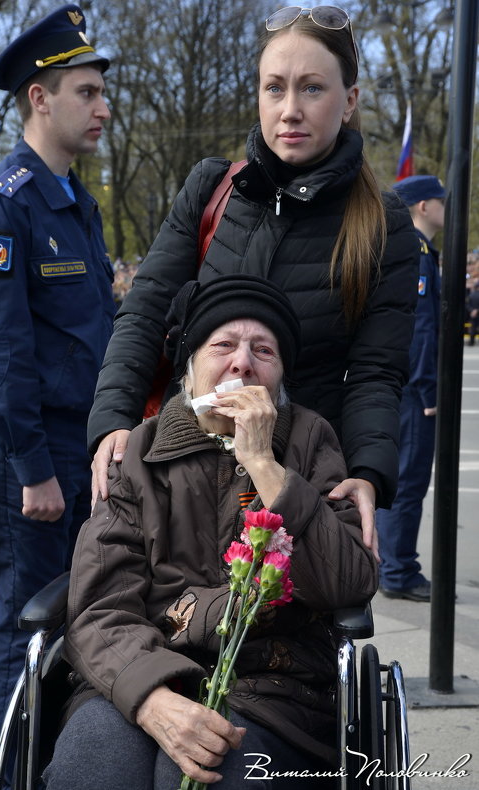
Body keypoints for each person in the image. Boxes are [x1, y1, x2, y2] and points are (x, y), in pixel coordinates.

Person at [88, 5, 419, 551]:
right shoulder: (211, 188)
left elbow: (376, 373)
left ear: (350, 100)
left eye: (312, 88)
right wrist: (112, 423)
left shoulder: (384, 224)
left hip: (296, 481)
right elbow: (143, 314)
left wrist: (367, 471)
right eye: (274, 88)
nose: (290, 110)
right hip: (181, 473)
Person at [42, 274, 378, 790]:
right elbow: (99, 606)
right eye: (223, 346)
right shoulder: (139, 452)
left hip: (271, 689)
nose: (242, 362)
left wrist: (264, 464)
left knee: (218, 783)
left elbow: (347, 584)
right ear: (191, 368)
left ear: (280, 377)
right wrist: (151, 698)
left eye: (263, 351)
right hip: (131, 672)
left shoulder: (312, 440)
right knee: (97, 771)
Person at [0, 4, 115, 740]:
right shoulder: (0, 205)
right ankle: (15, 776)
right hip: (39, 460)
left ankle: (59, 765)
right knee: (29, 622)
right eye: (86, 92)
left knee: (79, 617)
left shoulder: (77, 204)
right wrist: (32, 468)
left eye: (103, 93)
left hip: (83, 452)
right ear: (39, 98)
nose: (102, 107)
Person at [376, 175, 445, 601]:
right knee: (408, 482)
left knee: (403, 481)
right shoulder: (417, 255)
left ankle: (395, 566)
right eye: (441, 200)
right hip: (413, 392)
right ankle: (398, 572)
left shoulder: (416, 251)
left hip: (406, 388)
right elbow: (418, 332)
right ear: (422, 206)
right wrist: (428, 392)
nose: (446, 208)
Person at [466, 279, 479, 346]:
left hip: (472, 315)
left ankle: (471, 342)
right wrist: (477, 310)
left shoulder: (471, 295)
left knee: (472, 328)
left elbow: (467, 305)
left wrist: (472, 311)